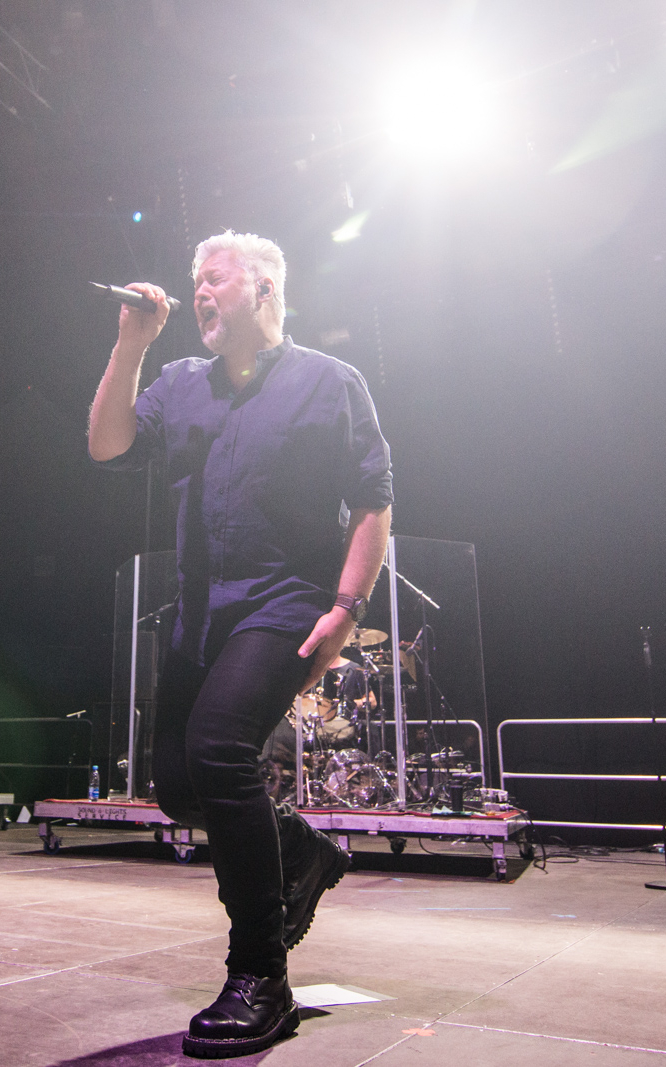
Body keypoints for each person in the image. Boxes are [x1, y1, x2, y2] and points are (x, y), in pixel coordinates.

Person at [88, 231, 393, 1058]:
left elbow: (373, 501)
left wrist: (346, 607)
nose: (199, 292)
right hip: (200, 614)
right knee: (179, 784)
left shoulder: (332, 382)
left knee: (221, 748)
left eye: (215, 278)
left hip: (284, 602)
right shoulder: (182, 382)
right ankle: (298, 849)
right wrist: (131, 346)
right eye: (194, 281)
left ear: (262, 288)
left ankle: (260, 974)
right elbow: (107, 443)